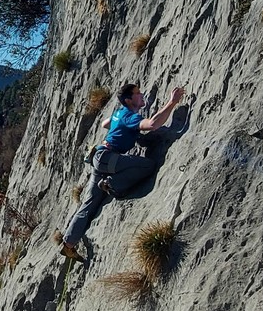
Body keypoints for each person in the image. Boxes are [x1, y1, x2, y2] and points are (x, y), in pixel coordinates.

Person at [60, 82, 194, 260]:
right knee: (148, 166)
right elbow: (153, 124)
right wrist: (172, 102)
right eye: (138, 93)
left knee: (88, 205)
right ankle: (111, 183)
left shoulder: (120, 113)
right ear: (129, 100)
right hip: (108, 158)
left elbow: (104, 123)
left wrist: (124, 130)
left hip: (100, 158)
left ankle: (68, 244)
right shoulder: (129, 116)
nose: (142, 94)